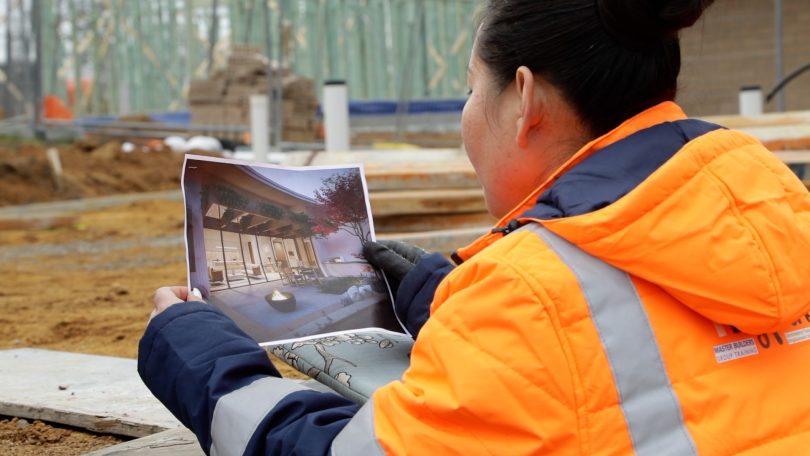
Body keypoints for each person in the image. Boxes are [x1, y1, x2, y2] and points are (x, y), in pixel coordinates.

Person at [139, 0, 810, 454]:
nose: (468, 111)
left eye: (470, 88)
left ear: (524, 100)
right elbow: (642, 355)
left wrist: (212, 370)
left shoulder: (527, 300)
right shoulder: (781, 212)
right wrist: (447, 299)